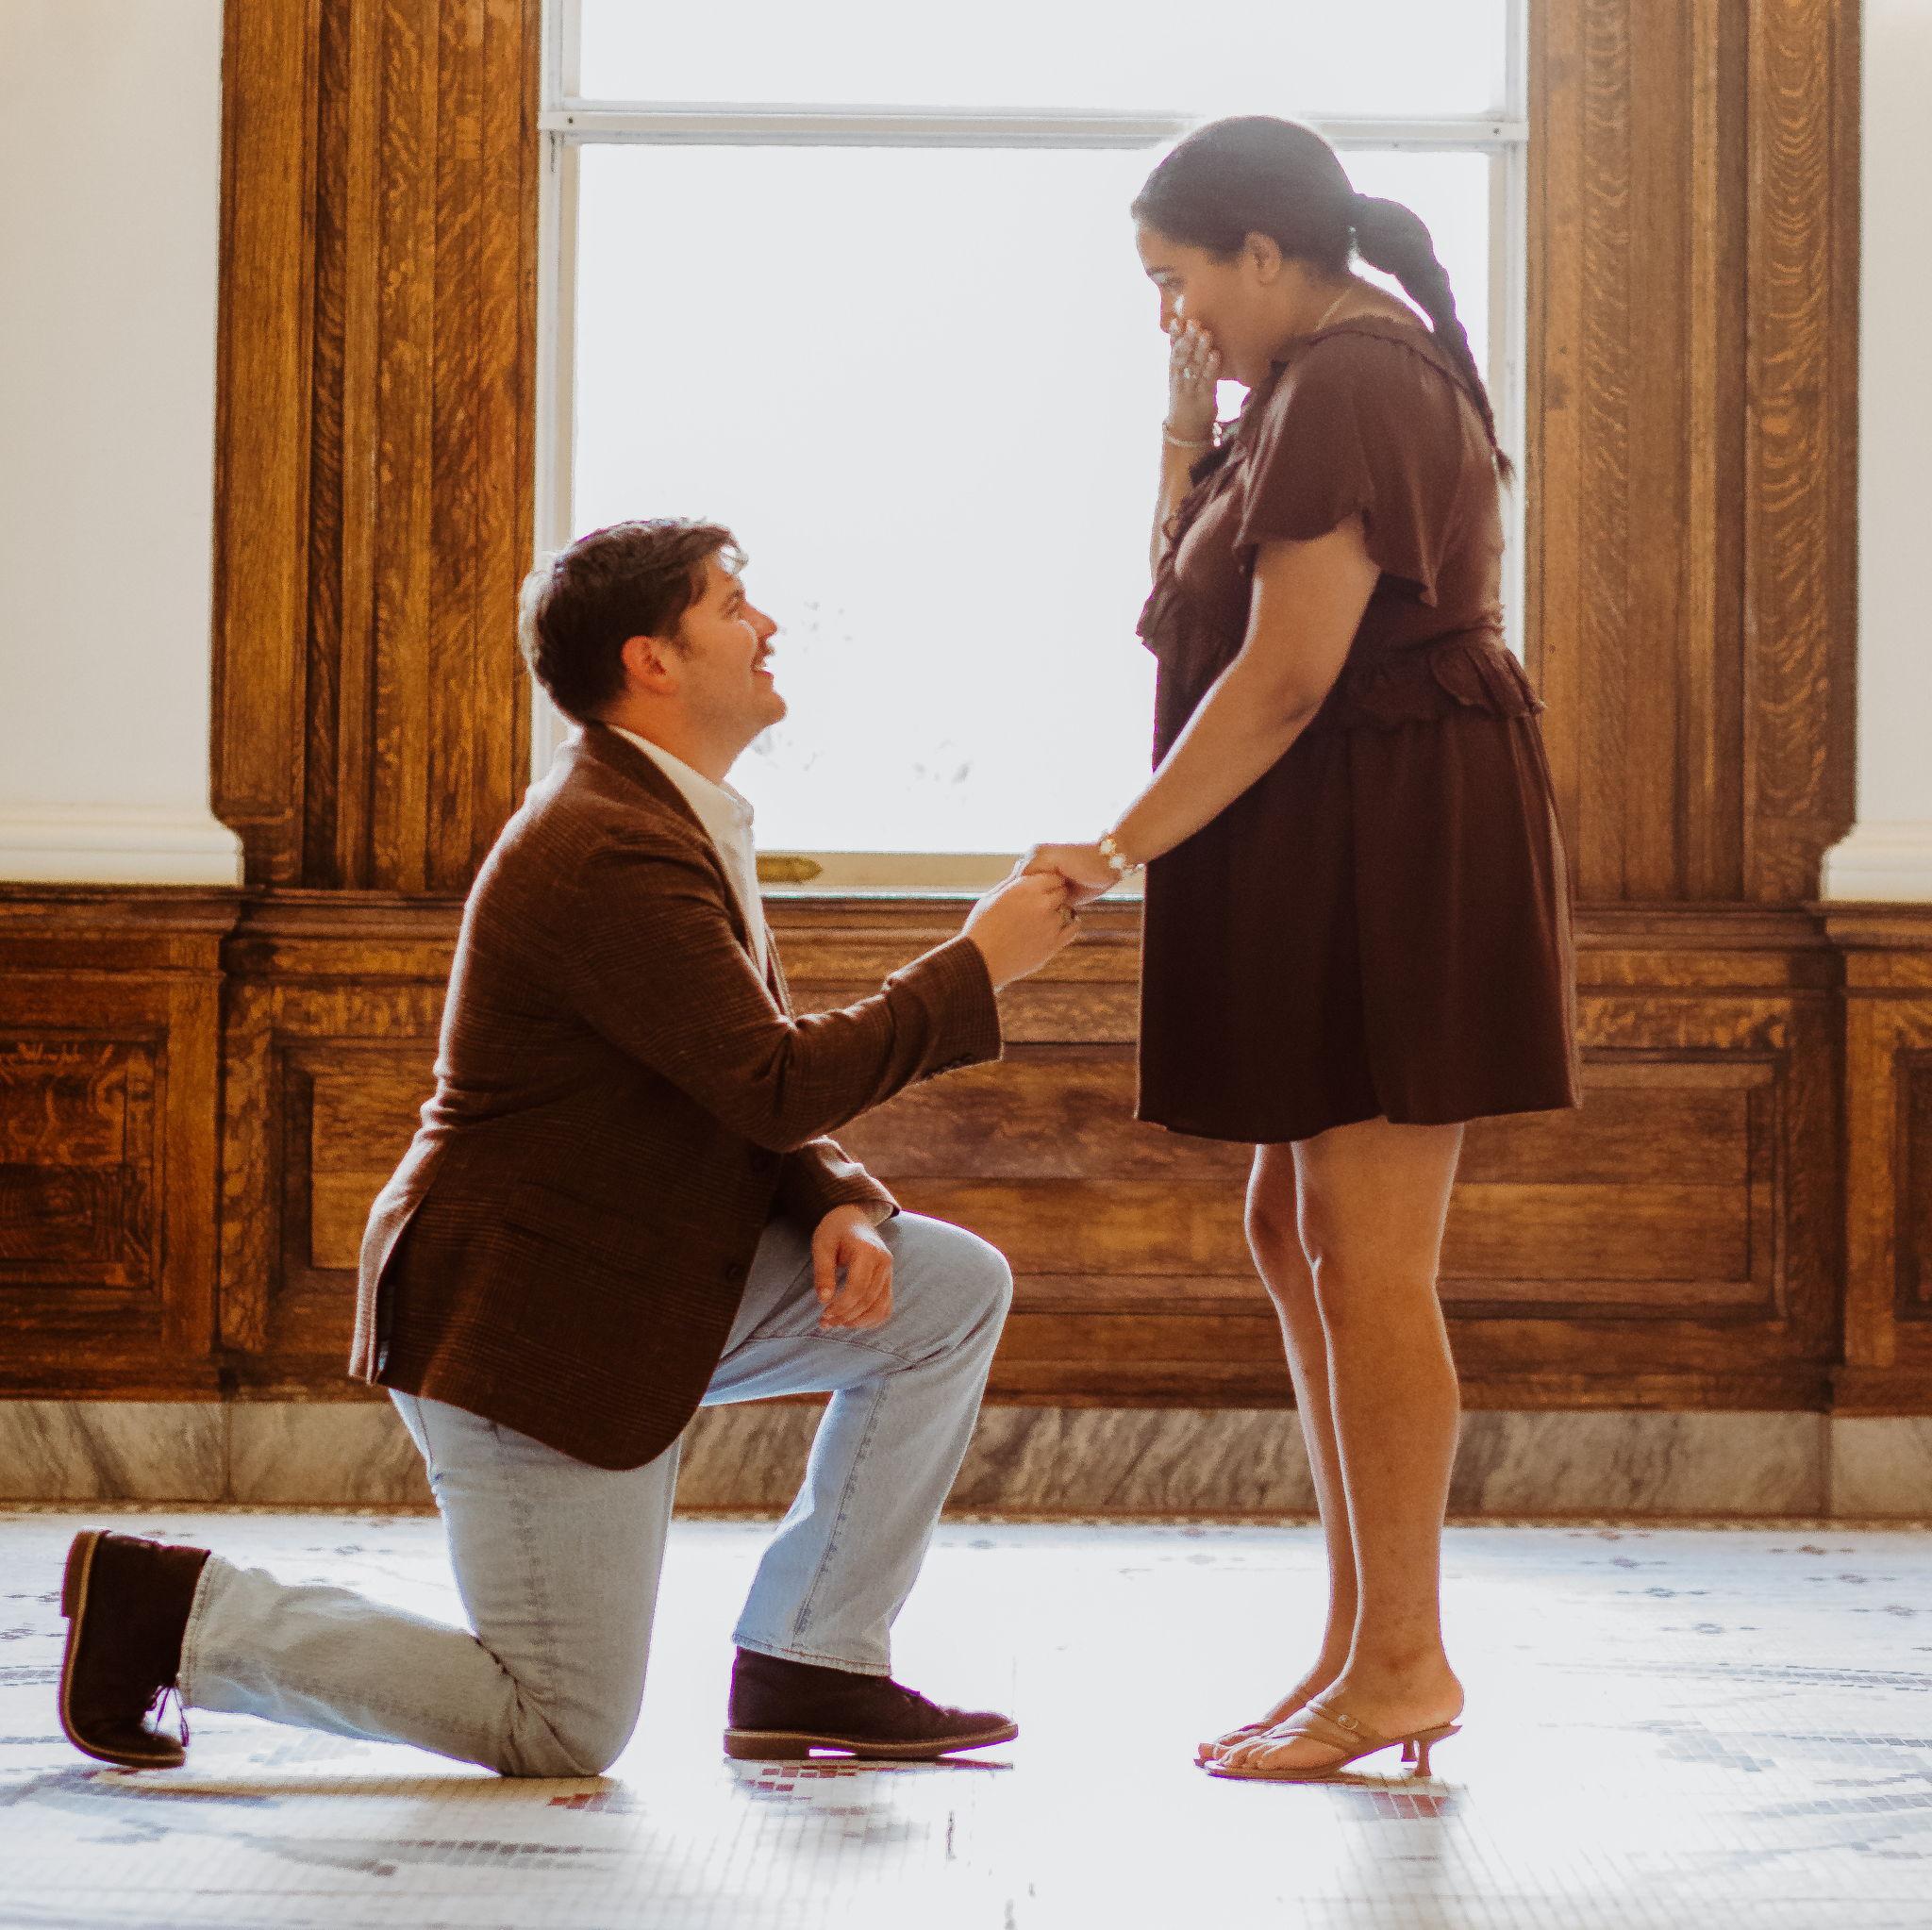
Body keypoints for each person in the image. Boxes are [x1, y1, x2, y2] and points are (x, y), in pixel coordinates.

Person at [56, 517, 1080, 1778]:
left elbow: (717, 1068)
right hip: (528, 1326)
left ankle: (814, 1653)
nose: (768, 626)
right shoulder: (605, 842)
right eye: (734, 604)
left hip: (639, 1279)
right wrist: (978, 961)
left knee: (946, 1286)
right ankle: (173, 1610)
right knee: (561, 1724)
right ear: (651, 658)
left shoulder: (671, 811)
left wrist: (833, 1194)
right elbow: (766, 1077)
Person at [1024, 116, 1581, 1783]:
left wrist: (1115, 847)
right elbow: (1180, 613)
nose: (1174, 311)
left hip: (1394, 838)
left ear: (1264, 253)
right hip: (1339, 830)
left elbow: (1280, 676)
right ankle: (1357, 1643)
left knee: (1370, 1245)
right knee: (1299, 1222)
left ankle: (1404, 1659)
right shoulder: (1292, 393)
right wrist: (1186, 421)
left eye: (1179, 280)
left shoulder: (1353, 382)